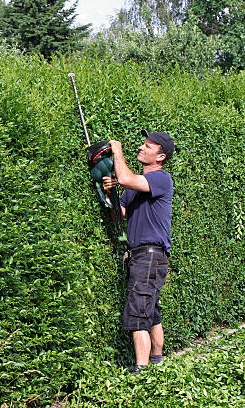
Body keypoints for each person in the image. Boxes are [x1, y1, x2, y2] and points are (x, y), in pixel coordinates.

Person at [102, 129, 175, 374]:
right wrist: (109, 192)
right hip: (141, 256)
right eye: (143, 144)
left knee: (138, 311)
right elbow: (117, 216)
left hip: (151, 255)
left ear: (161, 157)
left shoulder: (161, 179)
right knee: (151, 310)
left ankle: (141, 372)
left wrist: (117, 152)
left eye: (148, 147)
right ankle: (157, 363)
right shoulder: (134, 188)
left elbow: (125, 178)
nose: (142, 148)